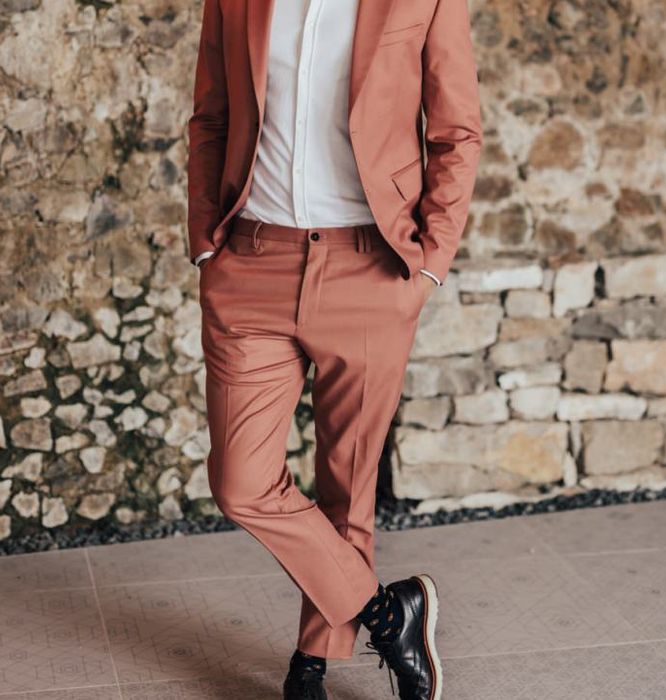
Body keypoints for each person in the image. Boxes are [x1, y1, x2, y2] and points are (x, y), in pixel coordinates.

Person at [187, 1, 481, 698]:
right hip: (252, 261)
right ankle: (388, 614)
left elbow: (457, 129)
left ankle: (311, 662)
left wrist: (429, 262)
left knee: (348, 483)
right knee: (242, 484)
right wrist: (205, 240)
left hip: (370, 267)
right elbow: (211, 115)